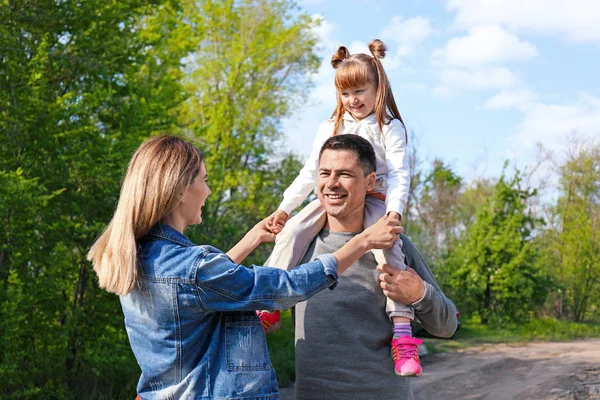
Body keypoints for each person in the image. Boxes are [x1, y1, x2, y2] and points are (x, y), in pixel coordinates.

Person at [86, 135, 402, 399]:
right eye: (204, 181)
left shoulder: (141, 255)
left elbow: (204, 288)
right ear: (181, 190)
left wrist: (251, 239)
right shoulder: (193, 268)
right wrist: (361, 242)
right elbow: (285, 288)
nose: (208, 192)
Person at [260, 39, 421, 375]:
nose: (353, 101)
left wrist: (394, 213)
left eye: (360, 91)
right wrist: (285, 208)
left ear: (379, 88)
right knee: (290, 235)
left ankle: (403, 334)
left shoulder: (389, 128)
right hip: (332, 199)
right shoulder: (331, 126)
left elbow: (401, 173)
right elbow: (310, 172)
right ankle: (268, 303)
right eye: (346, 94)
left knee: (390, 253)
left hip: (375, 200)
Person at [292, 134, 458, 399]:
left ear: (370, 181)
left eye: (345, 174)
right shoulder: (297, 247)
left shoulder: (394, 246)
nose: (332, 183)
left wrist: (419, 294)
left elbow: (447, 325)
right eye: (325, 173)